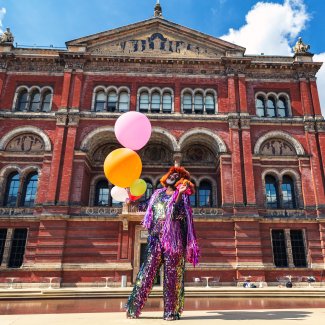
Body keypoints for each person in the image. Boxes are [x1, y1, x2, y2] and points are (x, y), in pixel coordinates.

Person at [125, 166, 199, 321]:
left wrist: (179, 194)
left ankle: (171, 311)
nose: (174, 175)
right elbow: (144, 206)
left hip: (174, 240)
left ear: (181, 180)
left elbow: (177, 213)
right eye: (172, 173)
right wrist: (131, 197)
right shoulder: (157, 193)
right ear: (167, 176)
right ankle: (133, 308)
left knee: (172, 276)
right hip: (155, 238)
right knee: (146, 273)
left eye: (178, 175)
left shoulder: (183, 196)